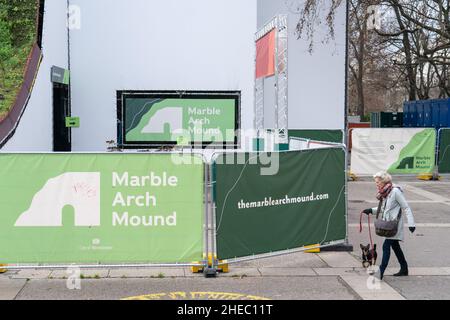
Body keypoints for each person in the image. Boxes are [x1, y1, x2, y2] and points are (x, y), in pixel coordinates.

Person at [363, 171, 416, 280]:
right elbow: (383, 208)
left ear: (384, 181)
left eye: (377, 182)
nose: (376, 184)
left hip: (394, 226)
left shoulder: (395, 191)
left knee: (386, 246)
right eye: (376, 182)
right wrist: (370, 210)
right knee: (395, 247)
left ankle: (381, 272)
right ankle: (404, 268)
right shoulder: (385, 192)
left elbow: (406, 207)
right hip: (389, 226)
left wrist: (411, 224)